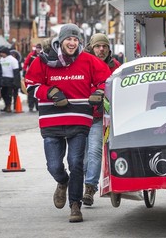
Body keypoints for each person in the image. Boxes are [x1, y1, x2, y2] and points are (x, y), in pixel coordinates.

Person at [24, 23, 111, 223]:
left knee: (76, 163)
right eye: (68, 39)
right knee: (54, 165)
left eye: (75, 39)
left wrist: (98, 92)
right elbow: (30, 85)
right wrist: (51, 92)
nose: (72, 43)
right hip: (51, 120)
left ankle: (75, 205)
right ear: (60, 40)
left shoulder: (88, 60)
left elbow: (106, 79)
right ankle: (63, 182)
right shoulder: (43, 60)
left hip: (79, 119)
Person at [82, 33, 121, 206]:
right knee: (80, 158)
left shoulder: (116, 66)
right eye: (98, 46)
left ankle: (89, 188)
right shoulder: (81, 63)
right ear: (92, 47)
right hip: (81, 116)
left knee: (95, 152)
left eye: (104, 46)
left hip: (100, 118)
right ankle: (83, 182)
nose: (101, 49)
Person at [0, 47, 20, 113]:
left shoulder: (13, 60)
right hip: (2, 78)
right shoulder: (1, 59)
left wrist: (15, 82)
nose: (1, 54)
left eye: (2, 53)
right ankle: (6, 105)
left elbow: (16, 72)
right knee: (3, 93)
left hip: (10, 78)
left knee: (8, 94)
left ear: (5, 53)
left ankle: (9, 106)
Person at [23, 43, 42, 112]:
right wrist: (24, 73)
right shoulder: (31, 55)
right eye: (37, 48)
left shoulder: (43, 55)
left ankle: (38, 106)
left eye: (39, 48)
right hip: (31, 76)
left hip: (40, 76)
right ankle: (31, 106)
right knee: (31, 91)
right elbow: (25, 64)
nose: (38, 49)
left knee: (38, 91)